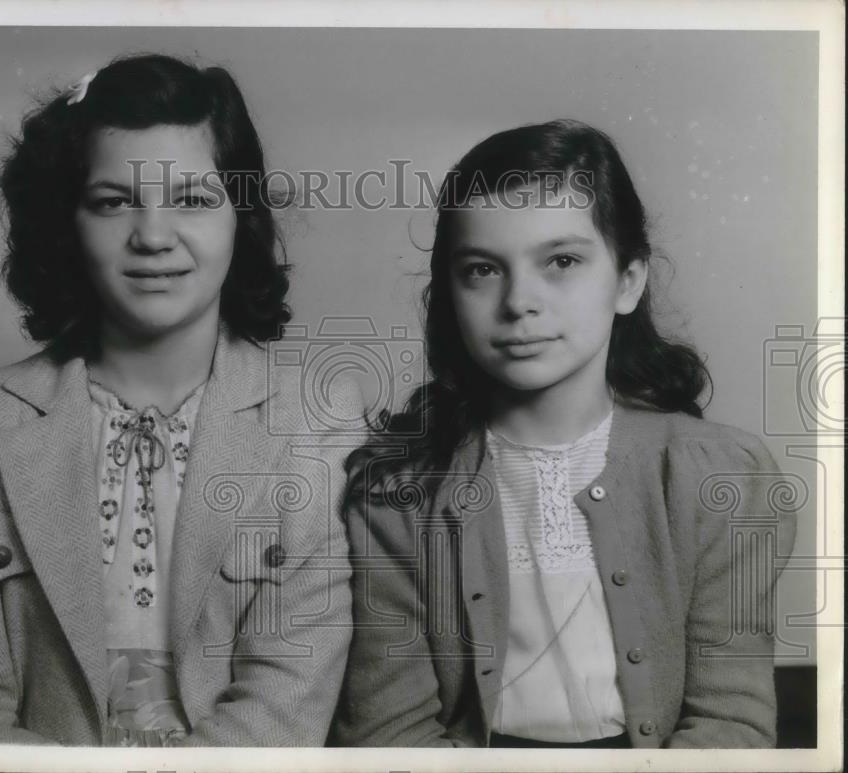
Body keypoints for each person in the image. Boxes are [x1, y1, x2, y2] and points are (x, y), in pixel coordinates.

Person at [0, 53, 359, 746]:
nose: (152, 236)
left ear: (242, 216)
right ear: (68, 221)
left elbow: (282, 712)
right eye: (114, 201)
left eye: (194, 200)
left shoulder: (317, 421)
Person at [330, 119, 797, 748]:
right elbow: (391, 731)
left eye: (561, 261)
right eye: (481, 270)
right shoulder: (397, 495)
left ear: (628, 281)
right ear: (449, 292)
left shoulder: (721, 476)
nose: (520, 301)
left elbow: (730, 722)